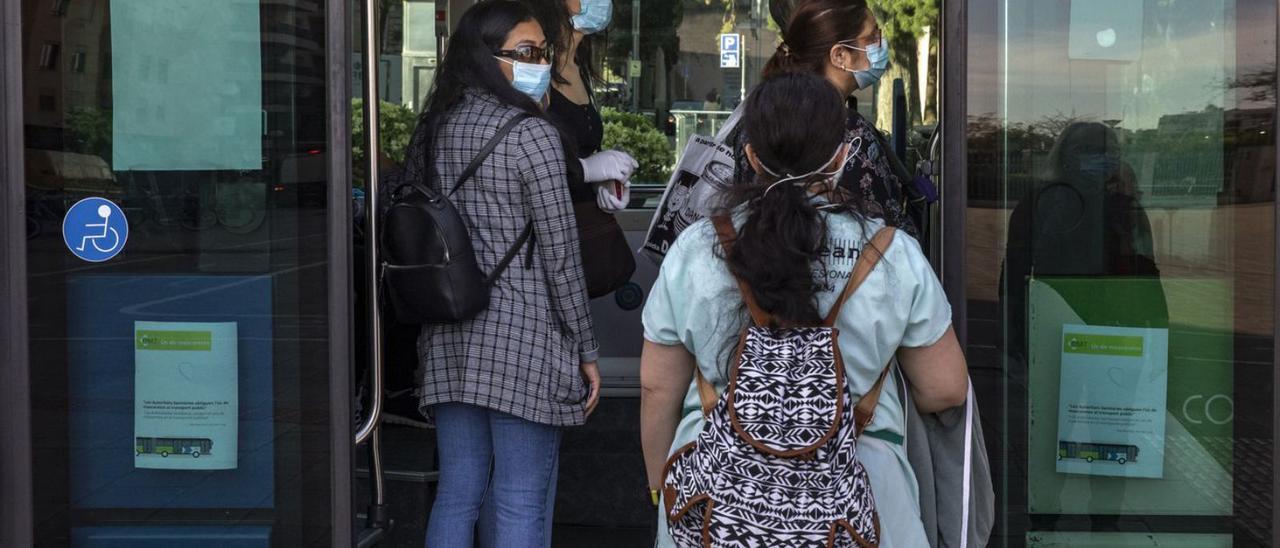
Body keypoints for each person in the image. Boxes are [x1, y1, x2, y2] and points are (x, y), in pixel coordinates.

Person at [640, 73, 968, 547]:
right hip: (863, 498)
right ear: (842, 156)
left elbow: (656, 387)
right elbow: (945, 389)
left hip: (716, 502)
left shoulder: (697, 247)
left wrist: (659, 488)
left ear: (751, 156)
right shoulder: (892, 253)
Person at [401, 2, 601, 546]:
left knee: (458, 491)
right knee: (518, 498)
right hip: (524, 339)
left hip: (448, 333)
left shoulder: (436, 125)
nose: (542, 63)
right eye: (528, 53)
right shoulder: (531, 134)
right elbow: (561, 255)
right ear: (486, 57)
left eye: (544, 51)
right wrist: (586, 349)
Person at [752, 0, 922, 238]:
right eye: (872, 37)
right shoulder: (851, 134)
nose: (881, 44)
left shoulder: (762, 114)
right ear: (840, 55)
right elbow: (892, 232)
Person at [525, 0, 638, 214]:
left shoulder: (579, 67)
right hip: (547, 222)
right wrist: (585, 170)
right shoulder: (533, 72)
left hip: (585, 220)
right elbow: (523, 160)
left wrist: (602, 184)